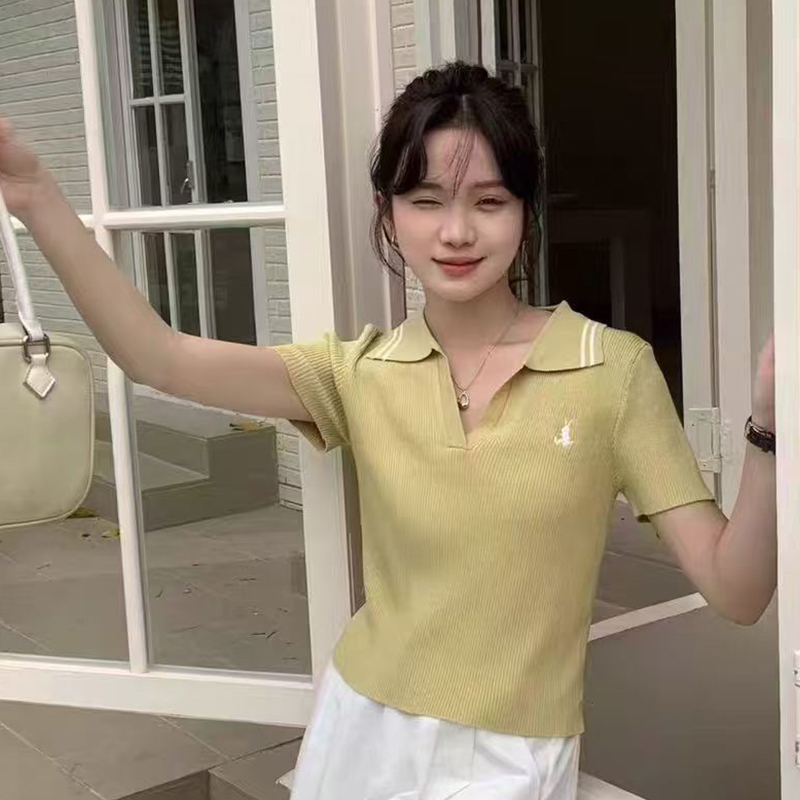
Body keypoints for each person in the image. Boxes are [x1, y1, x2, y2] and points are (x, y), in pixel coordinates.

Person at [0, 62, 776, 800]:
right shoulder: (360, 373)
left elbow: (737, 591)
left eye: (490, 201)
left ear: (526, 212)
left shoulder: (612, 371)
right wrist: (34, 193)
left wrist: (768, 430)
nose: (457, 231)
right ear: (389, 214)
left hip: (514, 749)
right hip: (360, 724)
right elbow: (158, 357)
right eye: (427, 200)